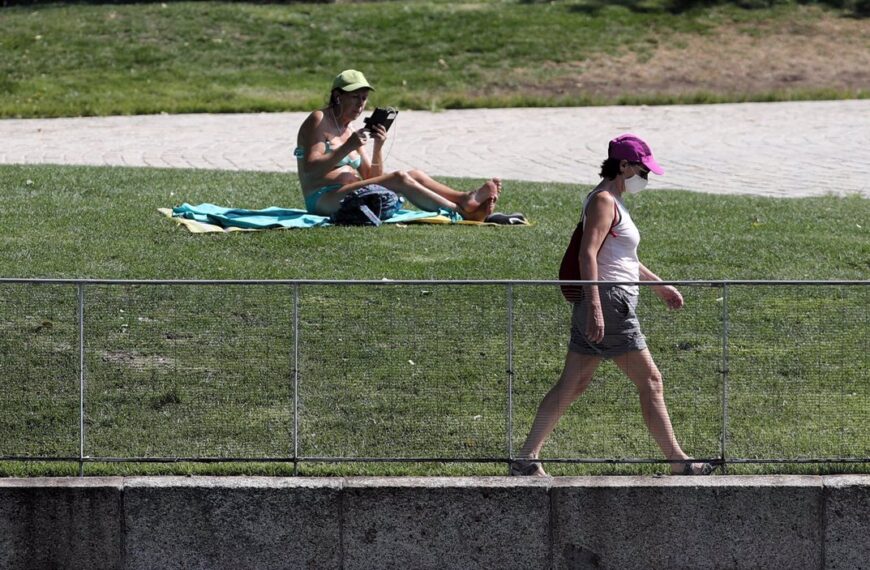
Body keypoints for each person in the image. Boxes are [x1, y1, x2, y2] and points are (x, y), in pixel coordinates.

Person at [511, 134, 717, 477]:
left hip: (608, 298)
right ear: (624, 166)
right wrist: (594, 304)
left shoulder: (611, 202)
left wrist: (657, 285)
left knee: (573, 383)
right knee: (650, 380)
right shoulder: (604, 201)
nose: (645, 178)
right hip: (608, 300)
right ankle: (679, 463)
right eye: (642, 170)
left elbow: (622, 257)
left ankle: (525, 459)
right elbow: (587, 254)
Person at [294, 70, 501, 220]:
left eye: (364, 98)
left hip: (352, 194)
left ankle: (464, 198)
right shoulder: (319, 119)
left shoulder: (349, 130)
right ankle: (462, 213)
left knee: (416, 174)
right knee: (400, 178)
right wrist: (347, 147)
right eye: (355, 97)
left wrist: (378, 146)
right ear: (338, 96)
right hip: (322, 198)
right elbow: (311, 169)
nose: (360, 104)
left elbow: (371, 179)